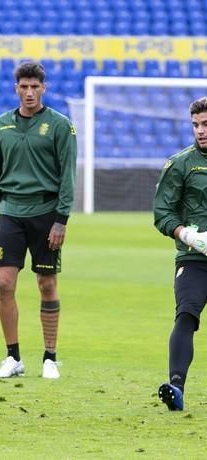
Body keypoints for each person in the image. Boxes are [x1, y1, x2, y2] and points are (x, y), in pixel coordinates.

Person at [0, 62, 77, 380]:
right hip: (11, 213)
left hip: (46, 214)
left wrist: (61, 220)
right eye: (24, 86)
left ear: (43, 88)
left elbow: (68, 176)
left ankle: (50, 357)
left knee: (46, 284)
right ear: (16, 88)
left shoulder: (60, 125)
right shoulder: (1, 125)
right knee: (4, 283)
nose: (30, 92)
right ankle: (13, 357)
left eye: (35, 86)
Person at [154, 97, 207, 411]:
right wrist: (186, 234)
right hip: (193, 259)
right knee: (186, 315)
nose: (201, 131)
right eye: (196, 125)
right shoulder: (181, 164)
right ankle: (175, 387)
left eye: (206, 125)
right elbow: (162, 212)